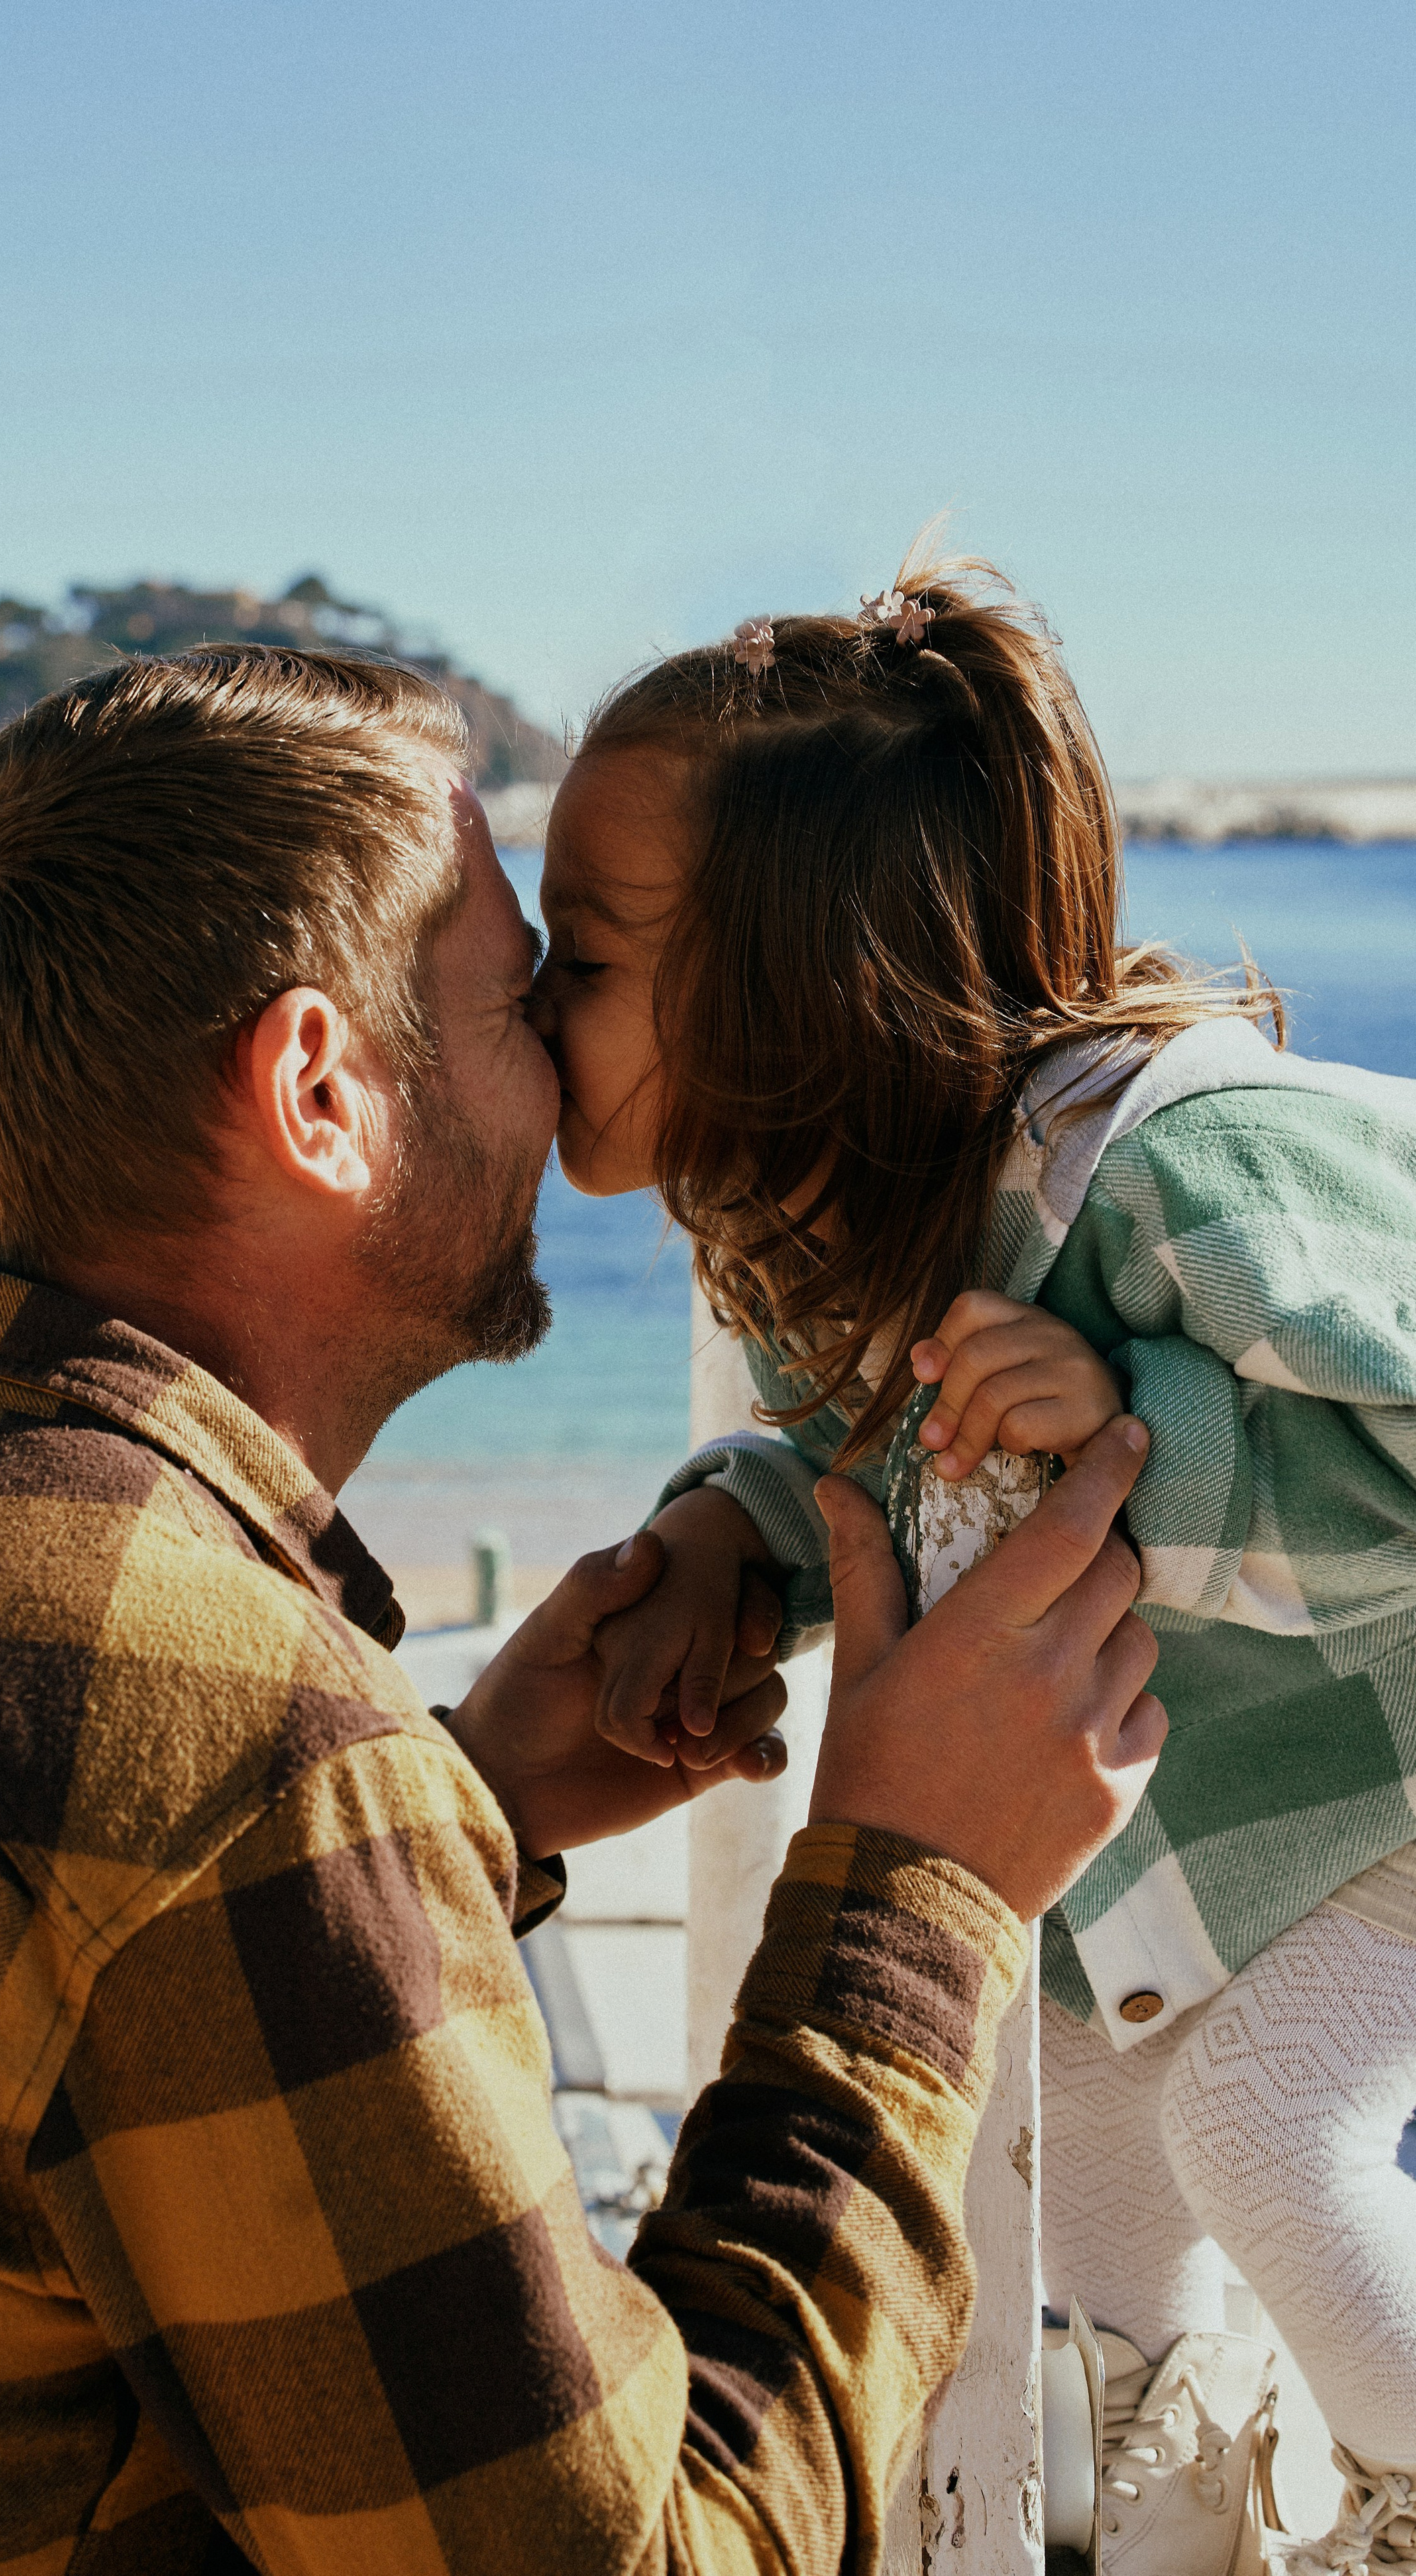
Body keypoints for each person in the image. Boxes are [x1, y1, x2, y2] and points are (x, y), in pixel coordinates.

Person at [0, 642, 1162, 2575]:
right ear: (322, 1090)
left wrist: (464, 1799)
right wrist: (915, 1893)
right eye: (517, 994)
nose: (566, 1067)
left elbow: (43, 2019)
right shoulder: (248, 1766)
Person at [533, 552, 1416, 2573]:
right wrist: (728, 1537)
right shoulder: (831, 1212)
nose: (527, 1000)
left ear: (796, 992)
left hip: (1398, 1767)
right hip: (1246, 1823)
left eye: (581, 958)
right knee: (1072, 2149)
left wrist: (1136, 1429)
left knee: (1261, 2129)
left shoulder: (1183, 1169)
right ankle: (1170, 2509)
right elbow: (866, 1459)